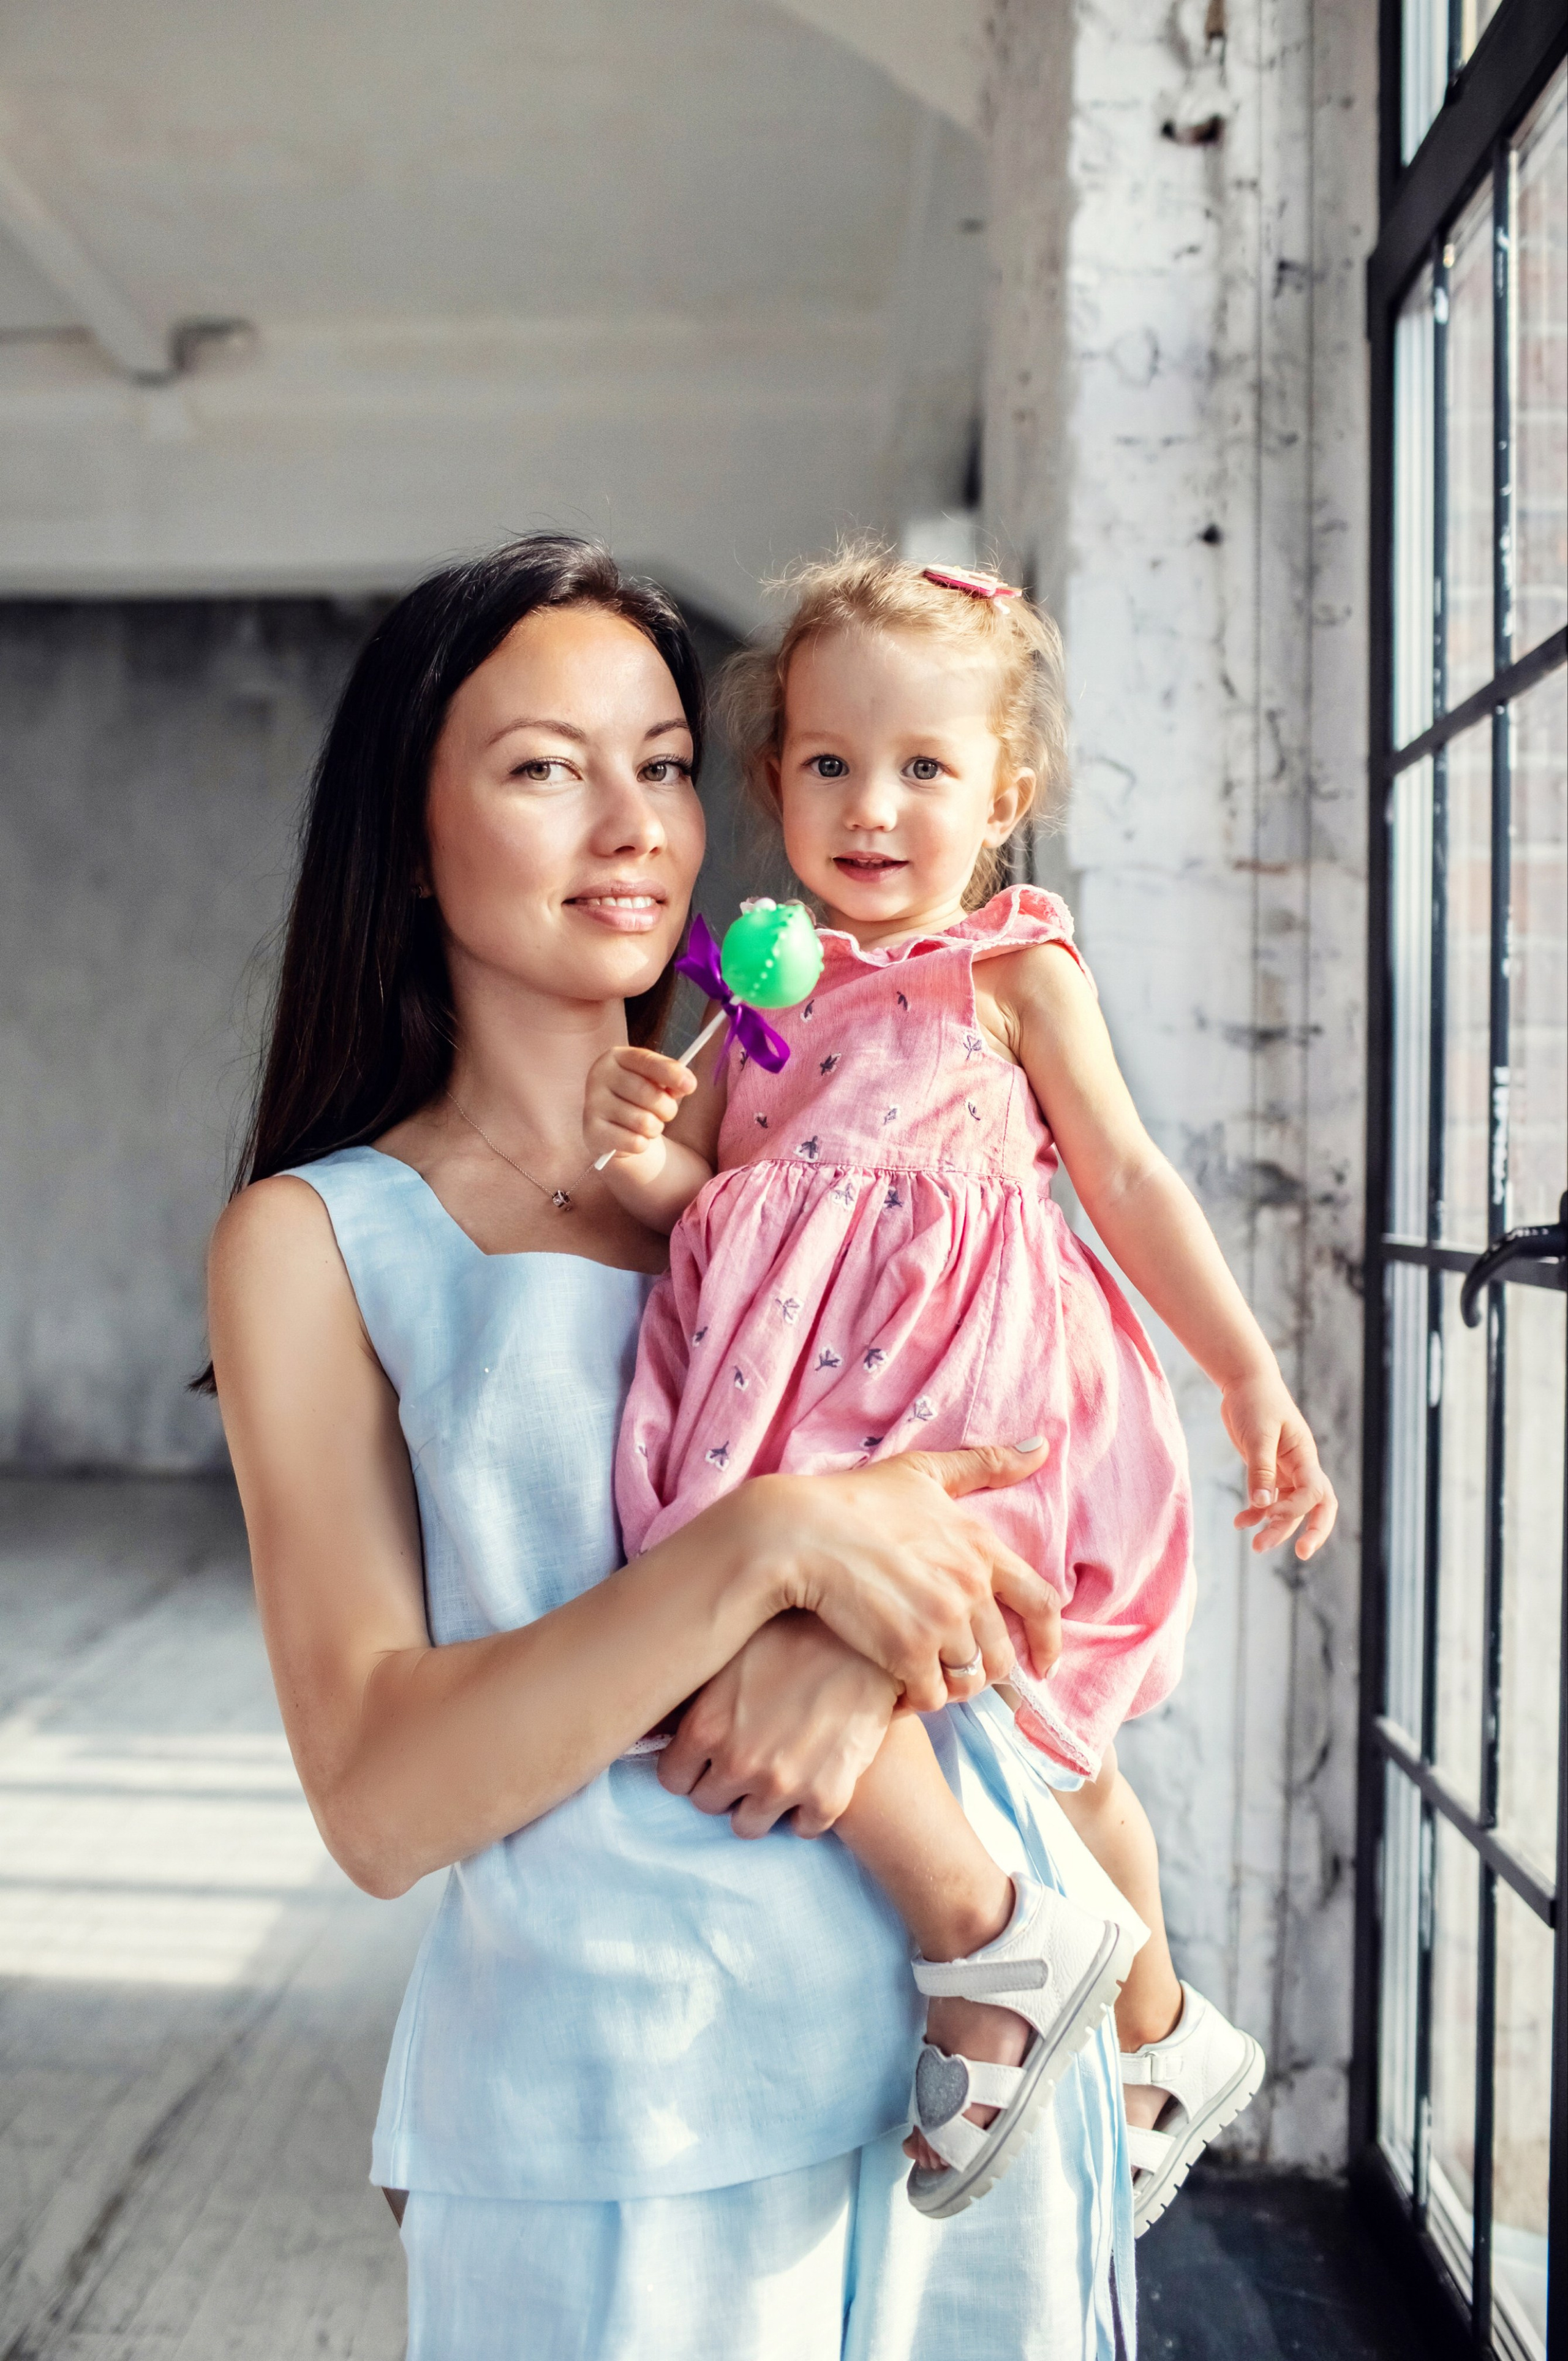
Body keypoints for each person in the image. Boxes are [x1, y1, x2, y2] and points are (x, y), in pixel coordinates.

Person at [205, 534, 1140, 2359]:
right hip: (612, 2113)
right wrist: (763, 1557)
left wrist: (856, 1663)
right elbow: (383, 1803)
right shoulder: (323, 1241)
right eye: (546, 768)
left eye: (658, 763)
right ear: (407, 836)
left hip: (970, 2060)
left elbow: (1050, 1505)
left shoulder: (859, 1161)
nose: (632, 823)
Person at [586, 546, 1338, 2232]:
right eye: (832, 763)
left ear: (1009, 791)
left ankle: (1021, 1959)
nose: (875, 805)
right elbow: (699, 1201)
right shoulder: (749, 991)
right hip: (794, 1402)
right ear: (773, 782)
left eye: (927, 768)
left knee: (1045, 1727)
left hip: (976, 1396)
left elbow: (1127, 1178)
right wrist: (637, 1151)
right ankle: (1149, 2028)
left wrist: (1248, 1367)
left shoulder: (1008, 970)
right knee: (769, 1629)